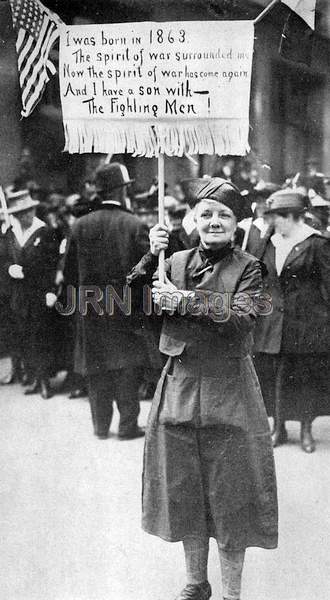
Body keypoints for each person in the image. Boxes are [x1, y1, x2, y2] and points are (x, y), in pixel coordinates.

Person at [127, 178, 278, 600]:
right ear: (193, 218)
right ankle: (196, 582)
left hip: (229, 390)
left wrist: (186, 301)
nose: (214, 222)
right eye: (206, 213)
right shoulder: (170, 260)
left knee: (232, 495)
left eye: (224, 215)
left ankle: (232, 592)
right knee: (184, 489)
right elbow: (138, 305)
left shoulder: (249, 266)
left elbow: (243, 318)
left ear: (236, 223)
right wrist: (146, 258)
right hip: (179, 386)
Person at [62, 162, 149, 440]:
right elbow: (145, 273)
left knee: (96, 366)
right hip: (125, 306)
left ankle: (100, 427)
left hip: (90, 306)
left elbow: (69, 275)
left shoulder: (80, 225)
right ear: (122, 191)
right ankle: (127, 426)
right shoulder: (134, 225)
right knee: (126, 365)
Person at [253, 189, 330, 453]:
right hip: (273, 322)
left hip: (307, 323)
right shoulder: (270, 243)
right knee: (273, 375)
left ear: (292, 216)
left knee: (305, 377)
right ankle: (279, 427)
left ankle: (306, 430)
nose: (273, 222)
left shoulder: (316, 243)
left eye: (277, 217)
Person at [1, 189, 60, 398]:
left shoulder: (45, 232)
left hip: (39, 291)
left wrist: (50, 290)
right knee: (24, 335)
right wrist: (9, 268)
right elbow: (3, 258)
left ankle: (45, 381)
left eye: (29, 211)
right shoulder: (9, 234)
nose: (27, 215)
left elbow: (51, 265)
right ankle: (34, 377)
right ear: (16, 215)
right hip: (19, 294)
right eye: (22, 213)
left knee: (41, 336)